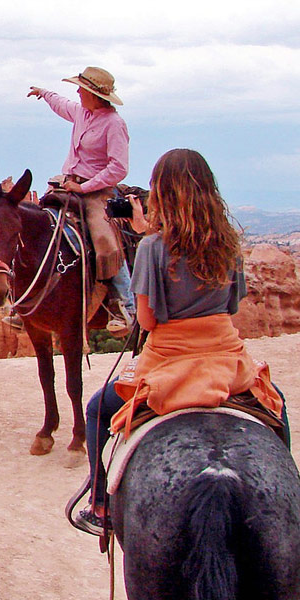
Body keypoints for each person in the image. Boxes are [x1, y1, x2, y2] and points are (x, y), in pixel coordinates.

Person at [74, 148, 286, 536]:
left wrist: (146, 239)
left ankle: (100, 506)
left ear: (161, 195)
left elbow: (149, 319)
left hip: (169, 361)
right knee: (277, 405)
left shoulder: (154, 248)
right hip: (226, 359)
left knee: (96, 411)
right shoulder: (228, 245)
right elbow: (233, 305)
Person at [27, 66, 135, 335]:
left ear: (94, 94)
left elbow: (119, 167)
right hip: (68, 184)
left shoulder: (114, 123)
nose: (76, 91)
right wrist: (43, 93)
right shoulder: (82, 113)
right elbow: (62, 105)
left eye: (81, 88)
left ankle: (126, 306)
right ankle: (29, 301)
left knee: (103, 240)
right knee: (37, 227)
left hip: (97, 191)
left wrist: (86, 187)